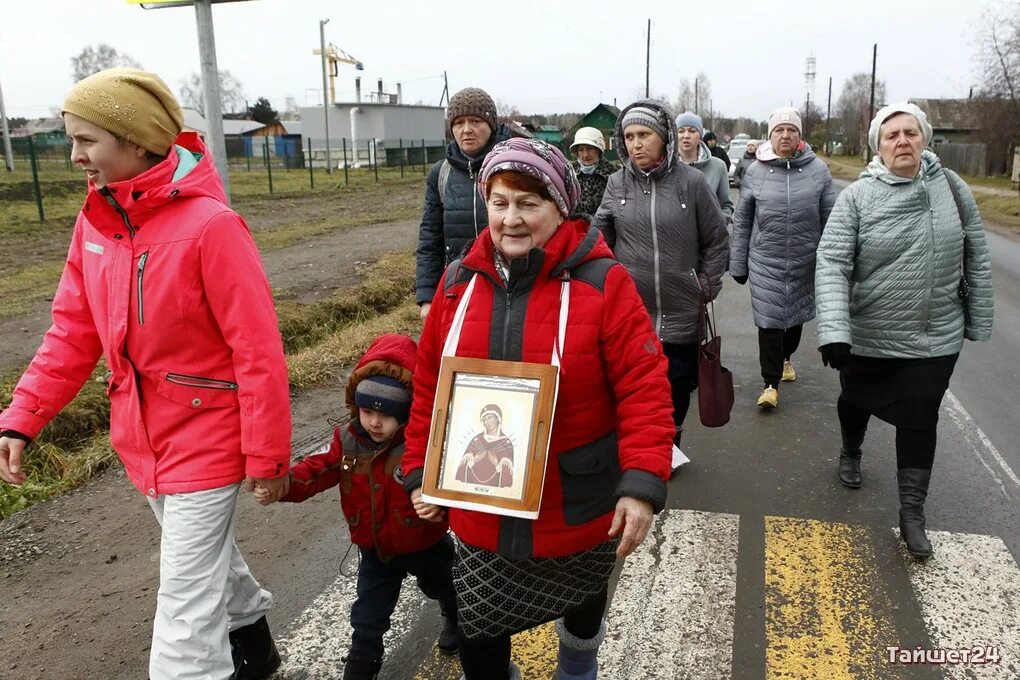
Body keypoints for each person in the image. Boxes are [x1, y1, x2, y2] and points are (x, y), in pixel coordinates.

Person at [0, 68, 289, 680]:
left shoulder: (212, 227)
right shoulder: (96, 223)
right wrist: (23, 417)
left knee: (185, 618)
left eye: (86, 140)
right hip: (141, 439)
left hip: (209, 440)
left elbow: (257, 352)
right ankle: (257, 651)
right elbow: (72, 332)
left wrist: (267, 455)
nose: (74, 155)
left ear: (135, 142)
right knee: (206, 564)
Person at [402, 138, 674, 680]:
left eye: (529, 204)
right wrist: (417, 472)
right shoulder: (459, 285)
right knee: (482, 629)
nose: (511, 219)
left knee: (581, 604)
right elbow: (430, 388)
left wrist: (642, 482)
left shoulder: (603, 282)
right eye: (500, 202)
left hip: (575, 500)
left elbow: (644, 387)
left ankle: (576, 666)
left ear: (561, 207)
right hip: (482, 506)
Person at [815, 103, 993, 559]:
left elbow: (977, 253)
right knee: (855, 399)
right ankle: (851, 448)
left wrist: (978, 318)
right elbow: (832, 262)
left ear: (924, 138)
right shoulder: (858, 197)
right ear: (878, 146)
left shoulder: (952, 188)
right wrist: (834, 328)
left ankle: (912, 514)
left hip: (935, 336)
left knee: (920, 417)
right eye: (891, 135)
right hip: (871, 332)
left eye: (910, 132)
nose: (902, 141)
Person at [255, 334, 458, 678]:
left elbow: (453, 483)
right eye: (367, 412)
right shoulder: (348, 440)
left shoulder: (425, 445)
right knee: (367, 619)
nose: (375, 423)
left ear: (409, 411)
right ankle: (360, 668)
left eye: (387, 415)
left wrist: (440, 505)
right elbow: (317, 470)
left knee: (441, 585)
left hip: (424, 542)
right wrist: (284, 485)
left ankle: (454, 616)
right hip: (375, 548)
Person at [593, 100, 729, 472]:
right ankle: (637, 447)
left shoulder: (692, 183)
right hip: (631, 310)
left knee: (677, 386)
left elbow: (717, 241)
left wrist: (704, 286)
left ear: (664, 137)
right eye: (629, 136)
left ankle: (670, 440)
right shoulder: (616, 183)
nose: (636, 144)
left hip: (682, 308)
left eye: (644, 135)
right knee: (631, 383)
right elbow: (599, 237)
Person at [730, 106, 836, 409]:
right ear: (770, 136)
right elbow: (743, 221)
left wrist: (833, 263)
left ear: (800, 136)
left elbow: (831, 219)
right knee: (770, 323)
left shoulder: (818, 171)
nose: (785, 135)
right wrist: (738, 263)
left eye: (791, 130)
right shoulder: (755, 172)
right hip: (766, 261)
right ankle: (770, 383)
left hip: (806, 260)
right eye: (779, 130)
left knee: (795, 320)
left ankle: (788, 357)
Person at [416, 87, 513, 320]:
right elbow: (430, 238)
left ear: (491, 125)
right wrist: (428, 297)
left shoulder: (513, 165)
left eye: (475, 121)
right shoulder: (441, 174)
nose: (466, 130)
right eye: (458, 122)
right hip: (459, 287)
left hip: (511, 286)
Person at [675, 111, 734, 221]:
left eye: (692, 131)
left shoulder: (718, 166)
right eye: (681, 131)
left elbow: (726, 206)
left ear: (700, 136)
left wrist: (715, 227)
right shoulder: (666, 167)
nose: (686, 135)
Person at [455, 404, 515, 487]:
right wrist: (475, 460)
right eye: (484, 419)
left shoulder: (505, 442)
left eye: (490, 417)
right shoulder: (477, 440)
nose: (487, 422)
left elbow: (508, 477)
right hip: (472, 485)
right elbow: (461, 470)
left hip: (494, 491)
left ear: (498, 419)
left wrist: (496, 464)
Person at [569, 126, 617, 217]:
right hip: (575, 227)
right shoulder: (569, 174)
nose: (585, 155)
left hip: (604, 228)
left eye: (590, 148)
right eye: (581, 149)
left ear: (599, 150)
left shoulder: (613, 175)